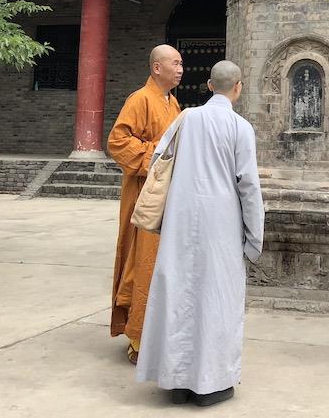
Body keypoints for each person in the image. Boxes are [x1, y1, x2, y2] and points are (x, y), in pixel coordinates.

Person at [137, 60, 265, 406]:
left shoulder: (186, 118)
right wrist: (255, 237)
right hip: (222, 224)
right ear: (238, 87)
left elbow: (157, 160)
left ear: (209, 85)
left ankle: (176, 381)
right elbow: (249, 184)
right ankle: (211, 383)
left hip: (182, 219)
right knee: (216, 300)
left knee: (178, 295)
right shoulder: (240, 127)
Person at [107, 44, 183, 364]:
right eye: (175, 63)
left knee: (161, 263)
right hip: (144, 194)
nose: (180, 68)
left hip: (167, 194)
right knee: (143, 261)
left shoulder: (172, 101)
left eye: (181, 64)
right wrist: (158, 156)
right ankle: (138, 337)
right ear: (157, 68)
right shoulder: (140, 100)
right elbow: (118, 142)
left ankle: (158, 332)